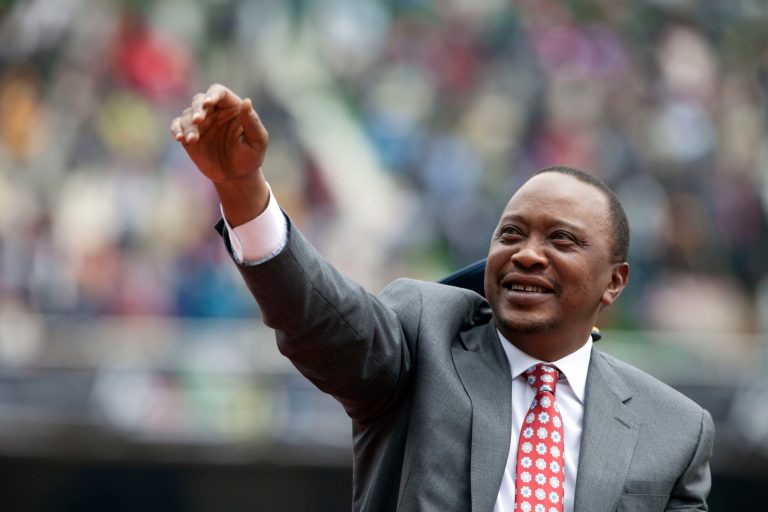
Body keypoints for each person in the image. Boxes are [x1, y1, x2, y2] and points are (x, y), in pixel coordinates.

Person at [171, 84, 714, 512]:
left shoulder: (675, 430)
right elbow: (323, 322)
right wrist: (242, 191)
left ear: (614, 281)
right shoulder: (423, 334)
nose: (527, 254)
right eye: (510, 234)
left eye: (561, 240)